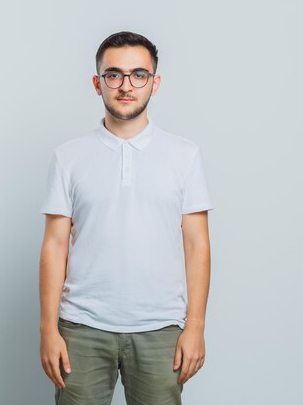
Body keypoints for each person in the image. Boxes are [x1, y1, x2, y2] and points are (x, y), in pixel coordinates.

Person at [38, 31, 215, 405]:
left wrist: (195, 326)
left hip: (160, 327)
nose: (126, 86)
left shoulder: (184, 155)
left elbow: (197, 244)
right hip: (82, 327)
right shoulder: (68, 157)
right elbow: (54, 246)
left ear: (155, 82)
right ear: (97, 82)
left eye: (139, 74)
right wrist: (48, 329)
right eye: (114, 74)